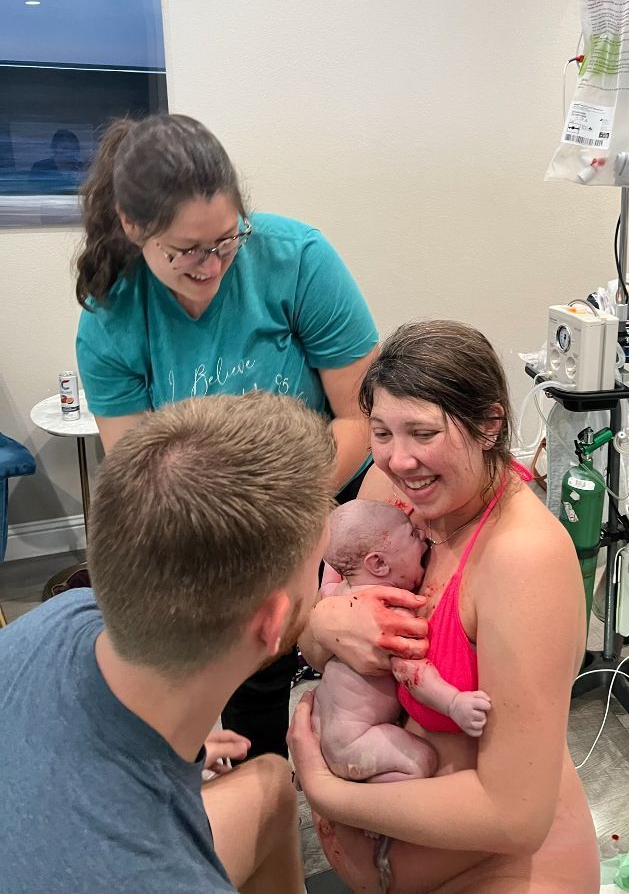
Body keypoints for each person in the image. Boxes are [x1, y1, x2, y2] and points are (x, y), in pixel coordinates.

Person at [74, 112, 379, 758]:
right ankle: (261, 775)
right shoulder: (113, 316)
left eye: (226, 239)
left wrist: (289, 526)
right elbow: (145, 483)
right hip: (214, 528)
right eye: (185, 250)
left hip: (323, 502)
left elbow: (361, 419)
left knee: (350, 670)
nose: (210, 264)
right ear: (133, 226)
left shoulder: (296, 259)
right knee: (240, 683)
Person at [290, 320, 601, 893]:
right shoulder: (390, 498)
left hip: (500, 870)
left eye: (423, 433)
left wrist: (326, 789)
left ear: (489, 425)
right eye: (381, 432)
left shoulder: (521, 558)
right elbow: (307, 639)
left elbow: (515, 816)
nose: (398, 460)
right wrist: (327, 620)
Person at [0, 392, 334, 893]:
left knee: (270, 788)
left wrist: (185, 745)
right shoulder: (167, 877)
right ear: (273, 620)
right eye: (320, 568)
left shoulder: (62, 615)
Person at [313, 500, 491, 785]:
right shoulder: (389, 614)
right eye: (410, 534)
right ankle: (370, 800)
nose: (422, 536)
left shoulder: (340, 593)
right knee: (421, 762)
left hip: (324, 723)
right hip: (357, 741)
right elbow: (411, 674)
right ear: (379, 563)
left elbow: (326, 587)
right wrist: (454, 702)